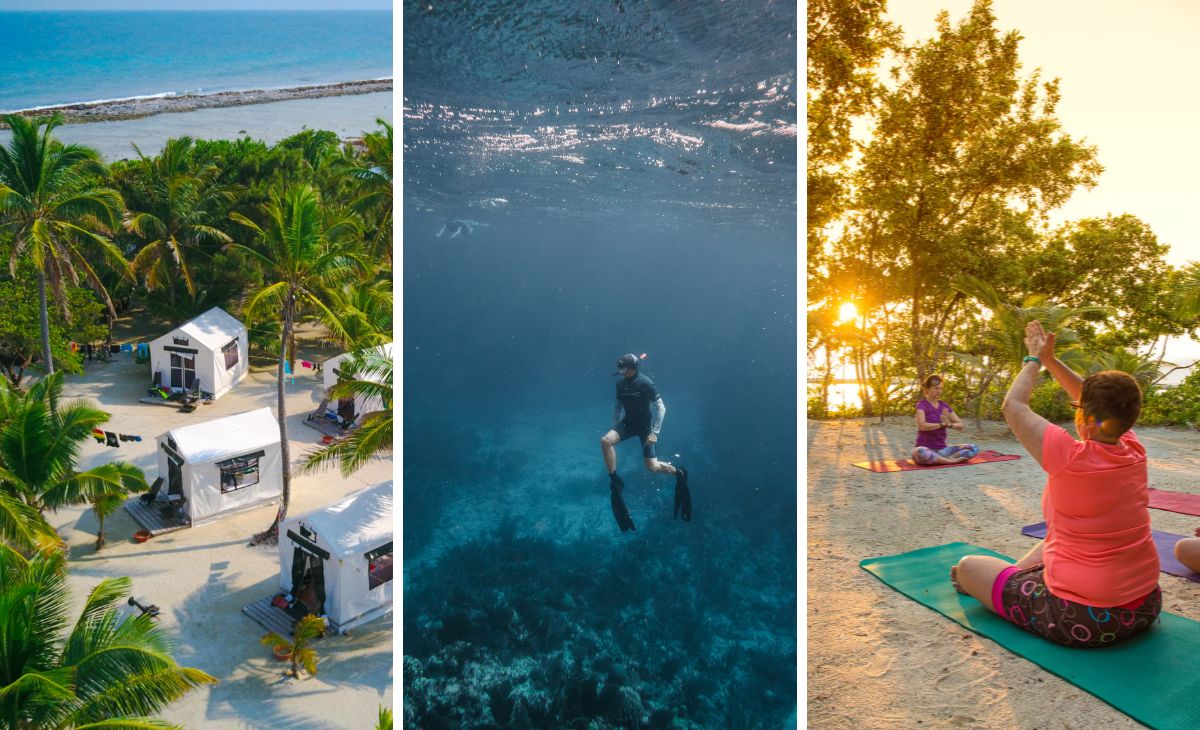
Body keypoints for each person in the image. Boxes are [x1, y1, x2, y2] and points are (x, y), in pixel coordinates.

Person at [950, 321, 1161, 648]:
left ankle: (1004, 581)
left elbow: (1013, 407)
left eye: (1079, 408)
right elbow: (1097, 403)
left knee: (969, 567)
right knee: (1053, 541)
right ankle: (1013, 577)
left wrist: (1033, 359)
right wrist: (1051, 360)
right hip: (1144, 605)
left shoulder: (1069, 456)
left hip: (1083, 618)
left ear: (1088, 417)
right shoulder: (1134, 450)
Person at [600, 353, 691, 532]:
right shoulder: (620, 384)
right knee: (605, 441)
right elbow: (618, 406)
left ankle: (679, 473)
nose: (621, 372)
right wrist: (615, 424)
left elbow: (661, 408)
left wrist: (655, 432)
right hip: (628, 423)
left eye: (624, 369)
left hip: (645, 427)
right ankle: (614, 478)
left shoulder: (646, 383)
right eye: (620, 369)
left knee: (652, 467)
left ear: (633, 368)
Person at [912, 374, 979, 465]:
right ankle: (951, 461)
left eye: (941, 388)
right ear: (927, 389)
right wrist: (941, 424)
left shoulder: (944, 406)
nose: (939, 391)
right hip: (925, 448)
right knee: (920, 452)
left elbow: (960, 425)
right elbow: (922, 426)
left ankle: (941, 459)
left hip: (942, 450)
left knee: (973, 448)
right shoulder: (922, 405)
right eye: (936, 388)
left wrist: (949, 425)